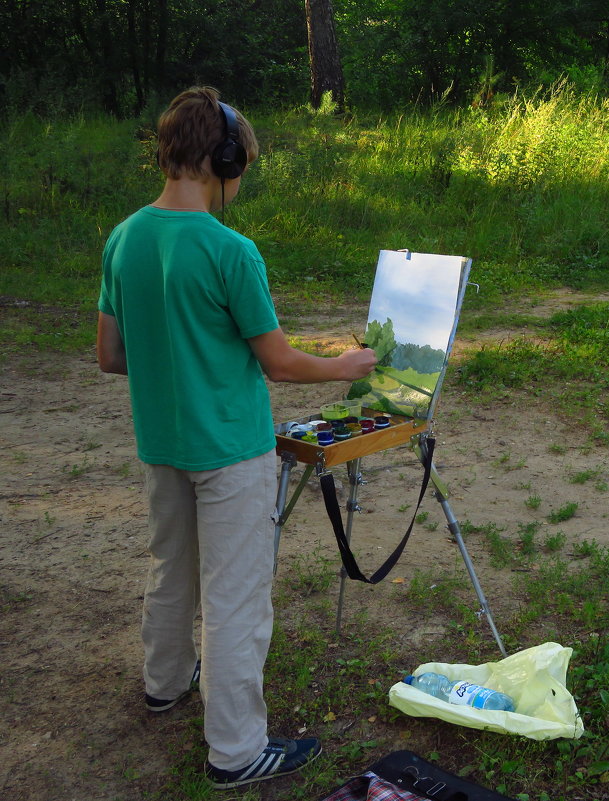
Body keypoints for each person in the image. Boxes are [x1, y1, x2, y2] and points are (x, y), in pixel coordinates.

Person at [96, 86, 377, 790]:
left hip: (161, 444)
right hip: (230, 453)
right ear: (221, 159)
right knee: (236, 600)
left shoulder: (124, 237)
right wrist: (343, 366)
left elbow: (110, 354)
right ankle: (236, 750)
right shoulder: (231, 250)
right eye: (240, 167)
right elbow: (278, 360)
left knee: (171, 571)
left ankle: (164, 684)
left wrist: (174, 354)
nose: (239, 182)